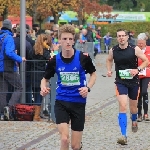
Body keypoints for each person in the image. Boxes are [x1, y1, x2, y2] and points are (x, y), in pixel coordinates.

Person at [40, 24, 96, 150]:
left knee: (75, 147)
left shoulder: (82, 58)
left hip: (78, 103)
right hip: (62, 102)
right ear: (59, 40)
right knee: (64, 139)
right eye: (64, 39)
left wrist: (88, 88)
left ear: (74, 40)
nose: (68, 42)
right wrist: (43, 87)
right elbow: (45, 79)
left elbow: (93, 74)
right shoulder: (54, 60)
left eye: (70, 39)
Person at [106, 29, 149, 145]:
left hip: (134, 82)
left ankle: (134, 119)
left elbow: (146, 61)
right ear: (117, 38)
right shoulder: (113, 50)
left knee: (133, 108)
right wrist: (109, 70)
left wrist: (137, 69)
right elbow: (109, 60)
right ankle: (123, 135)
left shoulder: (134, 49)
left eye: (123, 36)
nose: (121, 38)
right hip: (120, 82)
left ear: (127, 37)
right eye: (119, 36)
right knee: (123, 105)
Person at [0, 19, 26, 120]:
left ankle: (2, 114)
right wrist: (20, 58)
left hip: (0, 68)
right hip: (8, 68)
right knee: (19, 87)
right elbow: (9, 52)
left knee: (3, 91)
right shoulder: (9, 38)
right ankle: (9, 107)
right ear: (10, 27)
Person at [137, 33, 150, 122]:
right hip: (137, 75)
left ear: (145, 43)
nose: (140, 45)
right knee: (137, 94)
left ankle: (146, 113)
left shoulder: (149, 50)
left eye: (142, 43)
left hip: (146, 75)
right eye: (139, 43)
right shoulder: (135, 50)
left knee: (144, 92)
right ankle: (139, 114)